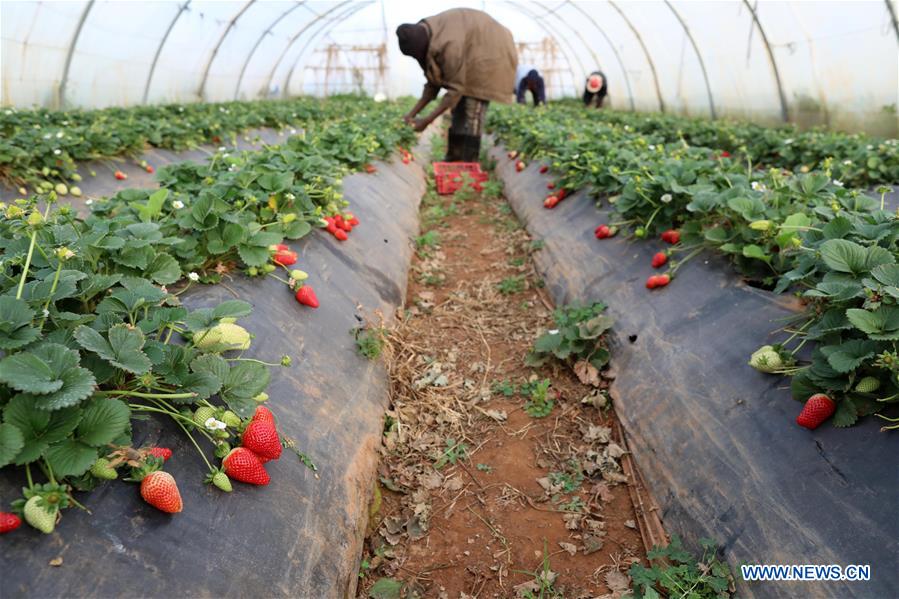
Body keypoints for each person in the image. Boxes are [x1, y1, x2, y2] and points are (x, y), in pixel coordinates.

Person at [396, 8, 517, 161]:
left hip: (491, 54)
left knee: (473, 110)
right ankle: (454, 159)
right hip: (471, 52)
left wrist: (427, 121)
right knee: (458, 111)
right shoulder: (425, 35)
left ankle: (468, 163)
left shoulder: (448, 44)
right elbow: (432, 85)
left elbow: (455, 89)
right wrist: (410, 115)